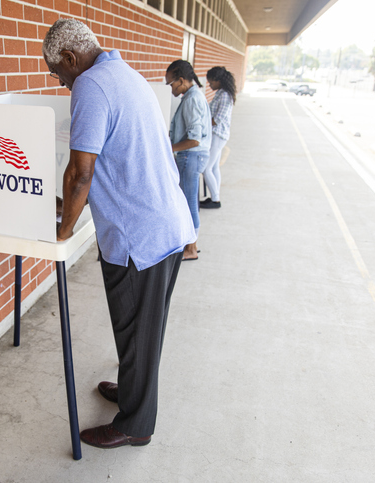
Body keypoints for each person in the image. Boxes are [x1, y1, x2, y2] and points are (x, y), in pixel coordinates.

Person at [42, 19, 196, 450]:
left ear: (71, 60)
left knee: (137, 333)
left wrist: (64, 229)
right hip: (166, 224)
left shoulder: (90, 85)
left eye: (58, 74)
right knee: (145, 329)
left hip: (139, 238)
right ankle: (133, 393)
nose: (62, 83)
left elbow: (81, 172)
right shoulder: (128, 76)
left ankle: (136, 424)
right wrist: (68, 203)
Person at [166, 60, 211, 261]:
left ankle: (191, 248)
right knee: (188, 199)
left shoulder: (192, 99)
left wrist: (169, 148)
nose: (171, 88)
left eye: (171, 84)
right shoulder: (193, 96)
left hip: (190, 156)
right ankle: (190, 244)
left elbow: (193, 139)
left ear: (182, 80)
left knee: (188, 202)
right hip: (194, 156)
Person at [200, 66, 236, 209]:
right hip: (218, 134)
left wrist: (201, 124)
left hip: (218, 134)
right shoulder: (221, 93)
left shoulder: (225, 96)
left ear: (218, 80)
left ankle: (215, 200)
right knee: (214, 167)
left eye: (211, 82)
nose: (210, 85)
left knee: (206, 168)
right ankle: (215, 195)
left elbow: (218, 119)